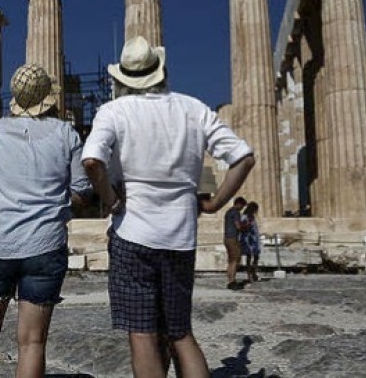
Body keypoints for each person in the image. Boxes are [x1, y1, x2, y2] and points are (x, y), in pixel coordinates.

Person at [82, 36, 255, 378]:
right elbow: (244, 158)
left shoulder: (114, 111)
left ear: (123, 79)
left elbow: (91, 162)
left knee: (143, 335)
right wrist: (215, 203)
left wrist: (112, 200)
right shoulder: (193, 108)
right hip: (180, 238)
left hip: (132, 235)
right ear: (160, 71)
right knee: (180, 333)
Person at [0, 64, 94, 378]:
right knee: (32, 342)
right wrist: (57, 200)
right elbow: (81, 192)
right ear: (48, 98)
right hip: (46, 246)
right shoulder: (66, 134)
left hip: (0, 245)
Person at [224, 197, 248, 290]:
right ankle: (232, 281)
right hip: (233, 238)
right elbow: (238, 226)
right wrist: (245, 225)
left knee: (230, 260)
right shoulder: (236, 212)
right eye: (242, 206)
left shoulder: (228, 211)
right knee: (235, 260)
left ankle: (230, 279)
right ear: (239, 204)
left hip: (227, 238)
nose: (242, 208)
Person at [239, 202, 262, 283]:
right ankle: (249, 275)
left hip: (254, 239)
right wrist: (248, 225)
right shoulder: (244, 217)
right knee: (249, 257)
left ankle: (254, 272)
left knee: (256, 256)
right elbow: (242, 226)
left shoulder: (252, 217)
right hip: (248, 239)